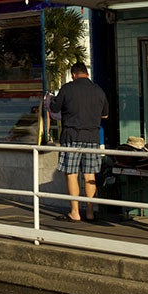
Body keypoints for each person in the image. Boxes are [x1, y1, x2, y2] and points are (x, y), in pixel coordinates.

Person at [51, 61, 109, 222]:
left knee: (72, 174)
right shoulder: (98, 90)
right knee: (90, 175)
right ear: (87, 74)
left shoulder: (68, 88)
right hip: (92, 137)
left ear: (73, 75)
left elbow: (54, 109)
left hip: (72, 136)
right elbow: (105, 115)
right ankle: (90, 211)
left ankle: (75, 212)